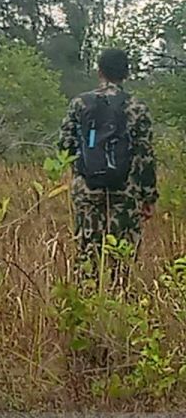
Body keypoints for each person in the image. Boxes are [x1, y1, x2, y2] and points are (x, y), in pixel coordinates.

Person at [58, 48, 157, 283]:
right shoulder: (137, 107)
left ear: (99, 71)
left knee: (87, 252)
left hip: (87, 189)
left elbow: (64, 145)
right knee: (122, 255)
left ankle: (86, 302)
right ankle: (118, 304)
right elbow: (145, 155)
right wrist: (148, 197)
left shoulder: (80, 103)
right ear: (126, 73)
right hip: (126, 191)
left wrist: (82, 169)